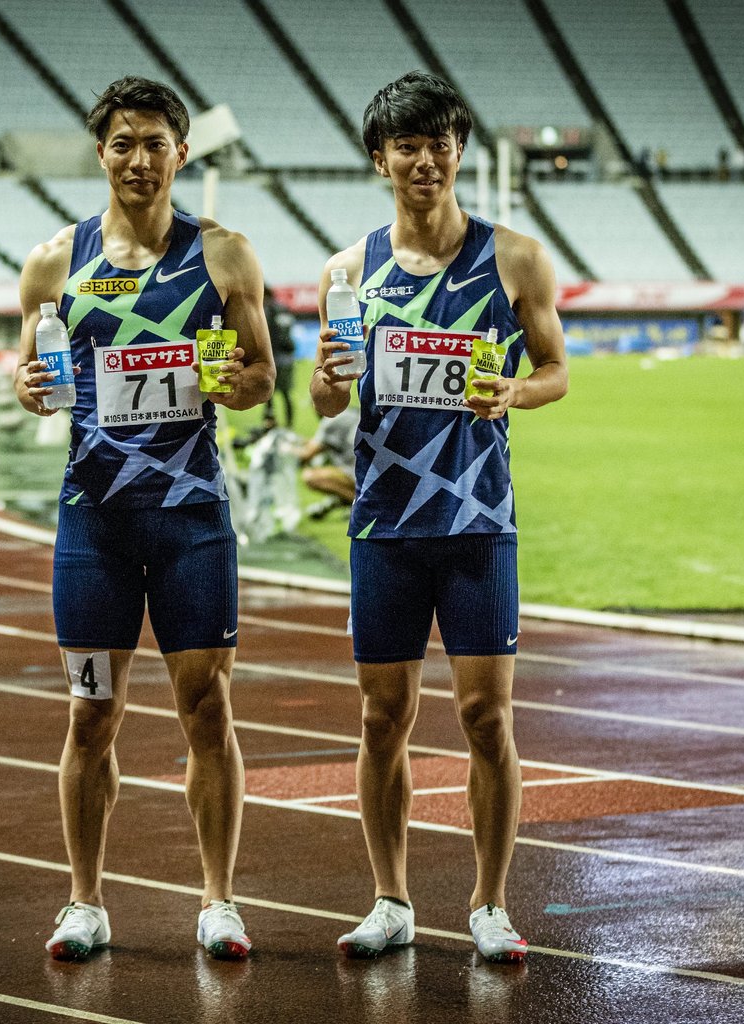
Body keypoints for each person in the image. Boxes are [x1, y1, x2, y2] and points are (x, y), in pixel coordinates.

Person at [14, 76, 274, 962]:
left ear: (181, 153)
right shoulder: (54, 263)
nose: (138, 158)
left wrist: (230, 382)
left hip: (192, 521)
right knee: (92, 714)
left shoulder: (226, 257)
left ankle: (218, 901)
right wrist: (31, 387)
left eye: (154, 142)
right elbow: (33, 386)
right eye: (122, 143)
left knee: (209, 712)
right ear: (101, 153)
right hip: (95, 528)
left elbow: (262, 380)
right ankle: (84, 901)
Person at [310, 72, 568, 964]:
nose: (426, 159)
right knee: (383, 718)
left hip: (477, 521)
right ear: (379, 159)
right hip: (384, 523)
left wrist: (517, 391)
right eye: (407, 146)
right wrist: (329, 383)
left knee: (486, 718)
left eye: (441, 142)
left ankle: (490, 905)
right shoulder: (348, 270)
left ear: (460, 149)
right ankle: (390, 900)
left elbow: (556, 371)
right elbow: (321, 395)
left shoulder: (516, 258)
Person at [299, 405, 358, 518]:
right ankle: (340, 502)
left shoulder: (330, 420)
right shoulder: (349, 414)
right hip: (377, 475)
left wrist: (282, 449)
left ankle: (362, 506)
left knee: (311, 476)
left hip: (359, 475)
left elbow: (305, 456)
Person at [263, 286, 297, 427]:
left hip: (273, 358)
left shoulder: (266, 310)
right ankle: (289, 425)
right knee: (286, 394)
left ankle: (270, 424)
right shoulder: (284, 309)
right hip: (287, 358)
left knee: (268, 395)